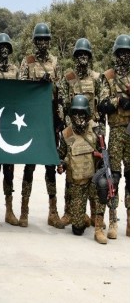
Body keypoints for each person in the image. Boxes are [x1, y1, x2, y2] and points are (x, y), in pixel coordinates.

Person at [19, 22, 64, 228]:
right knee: (29, 166)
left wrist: (60, 120)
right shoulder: (27, 62)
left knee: (50, 166)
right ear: (35, 42)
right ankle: (24, 210)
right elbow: (20, 89)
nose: (43, 43)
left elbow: (60, 91)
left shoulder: (55, 62)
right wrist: (37, 84)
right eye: (39, 40)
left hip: (49, 121)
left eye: (46, 40)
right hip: (31, 121)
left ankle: (53, 212)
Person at [58, 38, 100, 229]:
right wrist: (67, 130)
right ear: (75, 57)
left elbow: (100, 105)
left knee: (94, 173)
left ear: (89, 57)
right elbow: (63, 104)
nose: (83, 57)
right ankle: (69, 212)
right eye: (79, 54)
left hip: (91, 129)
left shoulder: (97, 78)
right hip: (73, 130)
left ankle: (94, 214)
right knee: (72, 174)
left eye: (86, 54)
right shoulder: (68, 78)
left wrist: (99, 130)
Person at [57, 95, 107, 244]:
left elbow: (104, 152)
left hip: (93, 180)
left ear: (87, 113)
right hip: (77, 183)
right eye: (75, 113)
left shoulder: (96, 129)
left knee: (103, 185)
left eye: (82, 113)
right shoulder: (67, 133)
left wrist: (102, 166)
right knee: (77, 229)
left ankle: (98, 228)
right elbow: (61, 155)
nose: (79, 117)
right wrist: (61, 165)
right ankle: (81, 217)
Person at [97, 34, 130, 237]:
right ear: (116, 55)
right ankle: (113, 221)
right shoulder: (108, 76)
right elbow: (102, 104)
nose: (124, 56)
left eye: (127, 53)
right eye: (121, 53)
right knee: (114, 177)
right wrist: (119, 101)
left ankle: (130, 221)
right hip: (117, 132)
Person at [0, 33, 20, 226]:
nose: (4, 50)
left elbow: (23, 91)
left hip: (10, 125)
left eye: (7, 47)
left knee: (9, 170)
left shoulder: (16, 70)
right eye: (1, 47)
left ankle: (9, 210)